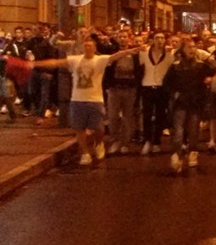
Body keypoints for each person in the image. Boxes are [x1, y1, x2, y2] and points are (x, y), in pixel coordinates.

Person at [30, 37, 141, 165]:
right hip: (77, 100)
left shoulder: (100, 60)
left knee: (98, 128)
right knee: (79, 128)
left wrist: (129, 51)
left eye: (90, 46)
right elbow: (56, 62)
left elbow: (115, 56)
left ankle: (99, 143)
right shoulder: (75, 60)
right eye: (85, 46)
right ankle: (85, 153)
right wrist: (35, 64)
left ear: (94, 48)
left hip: (95, 100)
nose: (87, 48)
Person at [164, 37, 216, 172]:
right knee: (178, 130)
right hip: (181, 102)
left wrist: (211, 79)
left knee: (194, 129)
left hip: (196, 102)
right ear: (183, 49)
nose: (192, 49)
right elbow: (167, 83)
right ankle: (177, 154)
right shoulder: (176, 66)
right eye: (189, 47)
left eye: (194, 47)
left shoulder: (201, 66)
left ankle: (193, 153)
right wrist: (175, 94)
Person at [104, 29, 142, 154]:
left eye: (125, 37)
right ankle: (114, 140)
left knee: (128, 117)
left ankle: (125, 142)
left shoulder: (135, 54)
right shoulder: (112, 52)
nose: (123, 39)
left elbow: (139, 70)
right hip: (114, 89)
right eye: (120, 37)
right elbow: (106, 69)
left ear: (129, 38)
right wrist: (107, 86)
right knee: (113, 116)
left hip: (130, 89)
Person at [140, 31, 174, 154]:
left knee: (160, 115)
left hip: (161, 88)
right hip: (147, 85)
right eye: (157, 38)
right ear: (153, 40)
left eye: (162, 38)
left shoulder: (169, 54)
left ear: (165, 40)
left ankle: (156, 141)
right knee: (147, 115)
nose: (159, 40)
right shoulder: (144, 52)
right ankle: (147, 140)